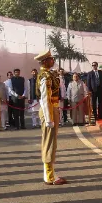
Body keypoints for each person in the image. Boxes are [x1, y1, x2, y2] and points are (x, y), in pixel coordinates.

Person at [35, 50, 66, 185]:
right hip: (49, 111)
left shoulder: (49, 74)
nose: (53, 60)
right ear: (45, 61)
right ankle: (49, 176)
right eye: (50, 59)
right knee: (49, 143)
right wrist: (49, 118)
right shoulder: (45, 76)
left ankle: (50, 173)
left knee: (52, 143)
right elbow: (45, 98)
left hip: (53, 108)